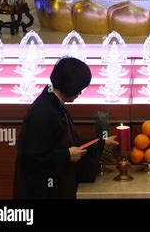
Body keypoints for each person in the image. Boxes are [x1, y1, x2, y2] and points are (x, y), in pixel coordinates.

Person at [13, 57, 119, 199]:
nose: (80, 93)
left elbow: (69, 141)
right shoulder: (43, 112)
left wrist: (101, 143)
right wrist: (66, 155)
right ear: (70, 88)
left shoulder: (54, 103)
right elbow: (31, 158)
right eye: (79, 89)